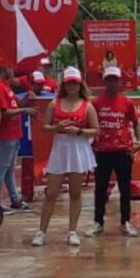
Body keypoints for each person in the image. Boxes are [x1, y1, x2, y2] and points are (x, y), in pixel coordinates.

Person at [32, 67, 98, 247]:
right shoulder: (55, 103)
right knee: (51, 192)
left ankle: (72, 231)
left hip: (78, 149)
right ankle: (42, 232)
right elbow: (45, 127)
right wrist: (57, 128)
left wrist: (79, 131)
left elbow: (96, 130)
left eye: (75, 83)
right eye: (69, 83)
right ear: (64, 84)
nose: (72, 86)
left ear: (79, 84)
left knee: (75, 193)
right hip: (60, 149)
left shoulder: (87, 105)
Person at [87, 66, 140, 238]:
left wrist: (139, 141)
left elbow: (136, 122)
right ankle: (98, 222)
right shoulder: (95, 103)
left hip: (123, 151)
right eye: (109, 79)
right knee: (100, 189)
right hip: (102, 151)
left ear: (119, 82)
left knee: (125, 189)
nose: (111, 83)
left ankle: (125, 222)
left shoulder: (127, 102)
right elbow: (88, 124)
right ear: (105, 81)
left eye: (114, 80)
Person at [0, 57, 37, 212]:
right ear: (4, 69)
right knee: (2, 168)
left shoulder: (5, 86)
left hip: (13, 133)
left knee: (9, 168)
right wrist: (24, 110)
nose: (13, 72)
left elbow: (15, 104)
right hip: (5, 133)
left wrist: (28, 98)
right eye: (10, 68)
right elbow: (3, 112)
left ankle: (14, 198)